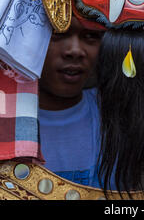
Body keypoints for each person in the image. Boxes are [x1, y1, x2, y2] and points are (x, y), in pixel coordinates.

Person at [38, 16, 104, 188]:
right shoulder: (7, 120)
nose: (75, 51)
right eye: (57, 33)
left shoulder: (119, 114)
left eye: (91, 36)